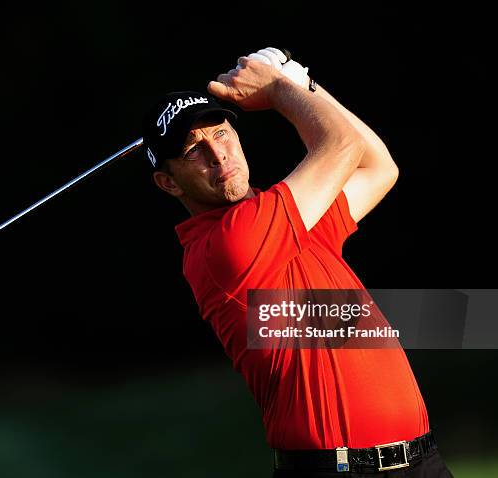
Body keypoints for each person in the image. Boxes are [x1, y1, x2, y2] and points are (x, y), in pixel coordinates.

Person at [142, 47, 453, 477]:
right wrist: (281, 87)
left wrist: (300, 80)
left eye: (221, 133)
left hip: (423, 463)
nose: (218, 155)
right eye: (194, 149)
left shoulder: (287, 221)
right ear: (167, 182)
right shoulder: (228, 245)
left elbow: (378, 166)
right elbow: (340, 144)